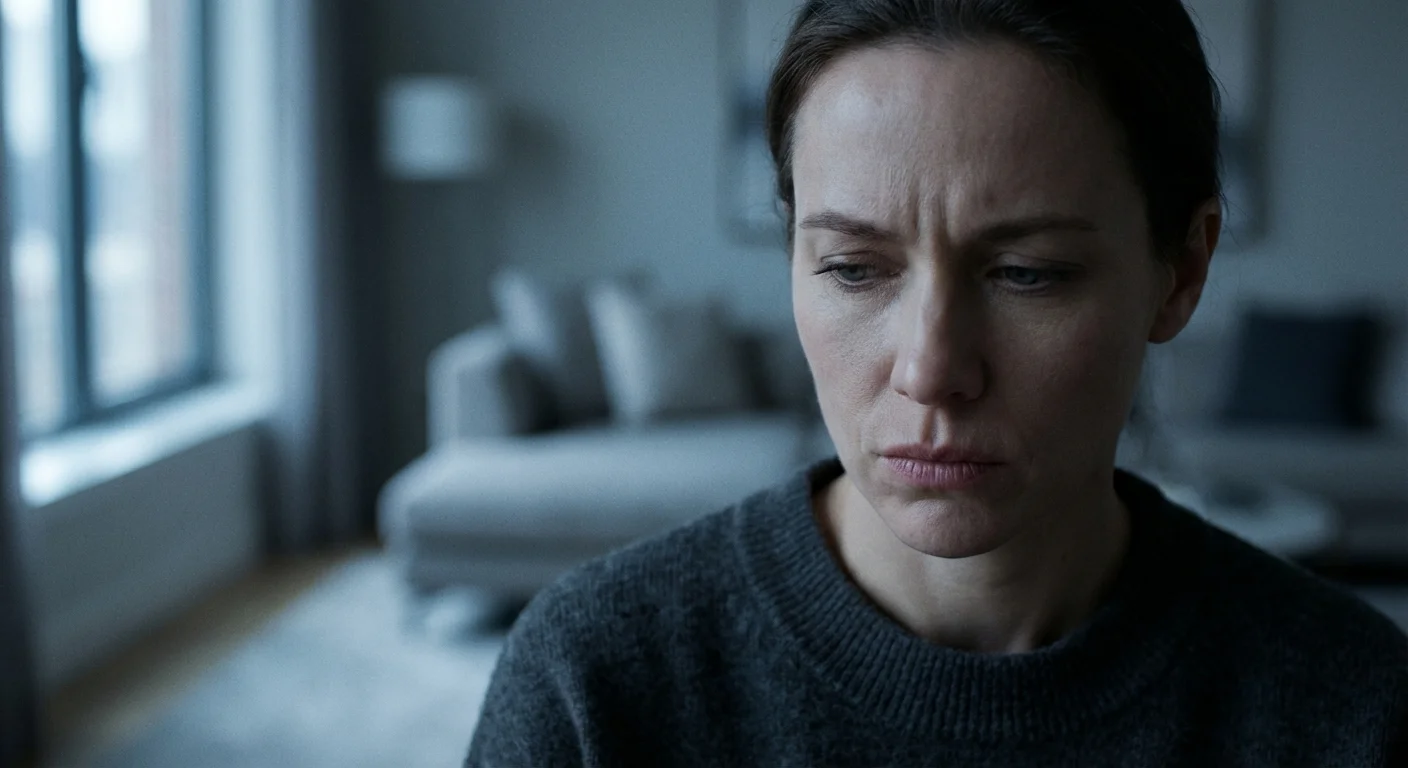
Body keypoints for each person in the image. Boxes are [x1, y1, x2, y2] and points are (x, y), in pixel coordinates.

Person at [466, 0, 1408, 764]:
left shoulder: (1350, 707)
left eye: (1028, 272)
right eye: (853, 269)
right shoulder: (595, 683)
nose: (930, 371)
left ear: (1182, 271)